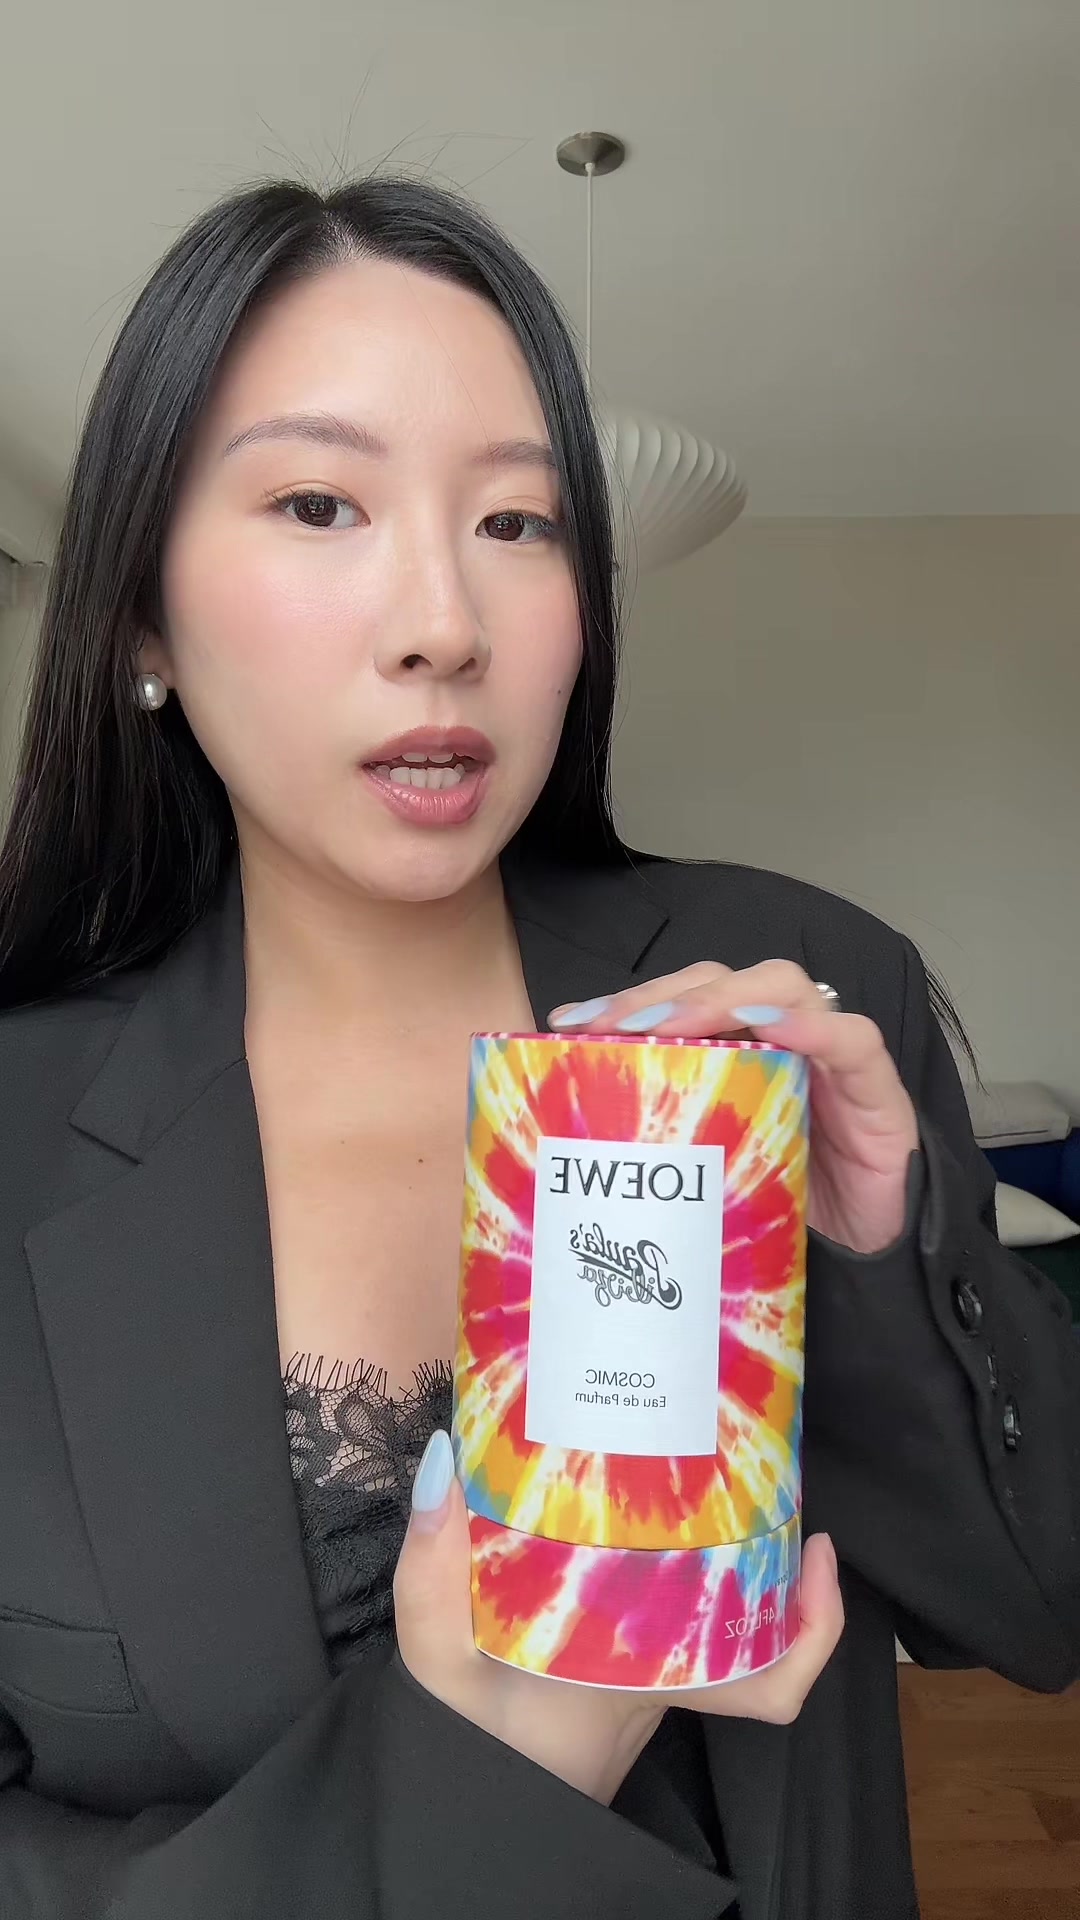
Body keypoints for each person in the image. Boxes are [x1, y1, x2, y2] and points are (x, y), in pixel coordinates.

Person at [0, 175, 1075, 1920]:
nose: (446, 622)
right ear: (137, 617)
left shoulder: (797, 995)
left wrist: (884, 1252)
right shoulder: (20, 1127)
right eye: (319, 502)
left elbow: (1036, 1611)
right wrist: (482, 1781)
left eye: (520, 521)